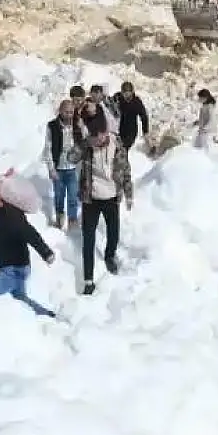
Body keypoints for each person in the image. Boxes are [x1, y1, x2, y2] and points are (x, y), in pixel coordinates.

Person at [0, 176, 57, 317]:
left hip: (14, 268)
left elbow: (28, 231)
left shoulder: (10, 213)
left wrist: (45, 252)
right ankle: (44, 315)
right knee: (19, 298)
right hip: (12, 266)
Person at [77, 123, 133, 295]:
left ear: (105, 133)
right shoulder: (86, 147)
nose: (97, 139)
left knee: (113, 232)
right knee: (88, 238)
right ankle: (88, 280)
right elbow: (71, 157)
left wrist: (129, 193)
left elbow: (126, 170)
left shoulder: (117, 146)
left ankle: (109, 256)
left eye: (99, 135)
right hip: (90, 199)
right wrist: (84, 144)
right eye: (93, 136)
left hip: (111, 197)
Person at [42, 99, 84, 230]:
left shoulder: (77, 125)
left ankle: (72, 220)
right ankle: (60, 218)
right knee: (59, 196)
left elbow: (84, 143)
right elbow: (47, 148)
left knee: (73, 196)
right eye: (66, 112)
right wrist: (51, 168)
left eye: (71, 112)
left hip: (73, 168)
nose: (69, 115)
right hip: (58, 168)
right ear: (60, 111)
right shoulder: (52, 126)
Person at [113, 81, 149, 151]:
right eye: (125, 93)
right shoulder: (118, 98)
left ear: (132, 92)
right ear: (122, 92)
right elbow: (109, 105)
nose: (126, 95)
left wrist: (145, 132)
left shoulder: (137, 102)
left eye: (128, 92)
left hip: (131, 130)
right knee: (116, 149)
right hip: (118, 127)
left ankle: (124, 158)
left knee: (125, 148)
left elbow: (144, 117)